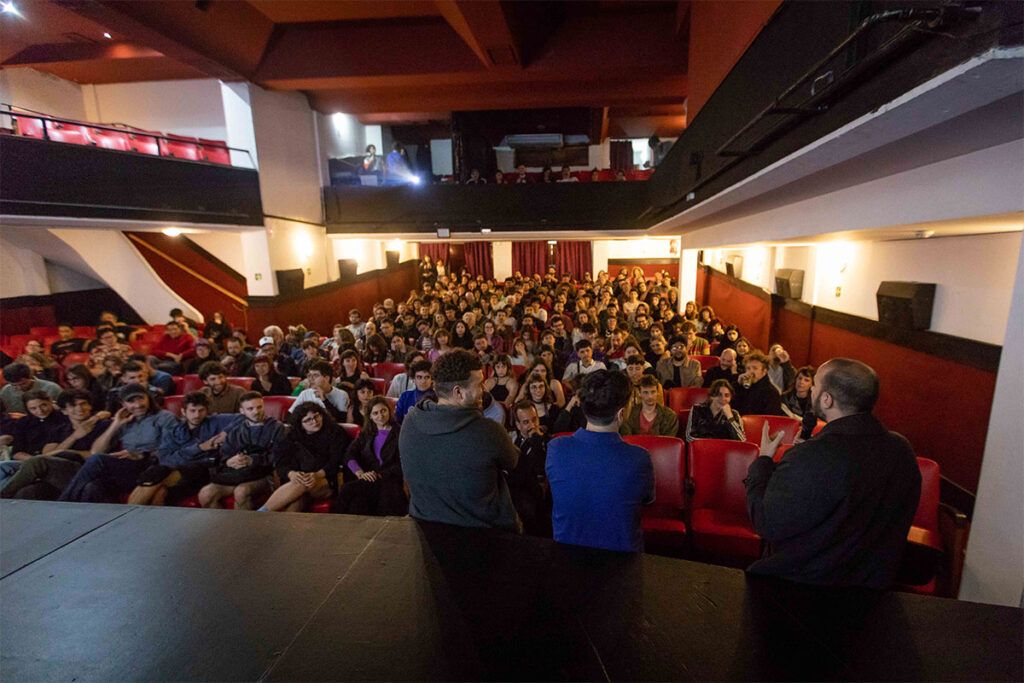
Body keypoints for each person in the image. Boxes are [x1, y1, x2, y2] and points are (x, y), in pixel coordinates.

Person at [745, 358, 922, 589]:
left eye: (815, 385)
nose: (812, 390)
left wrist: (764, 461)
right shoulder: (902, 449)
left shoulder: (812, 455)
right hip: (874, 589)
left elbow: (767, 523)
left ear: (827, 399)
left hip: (804, 588)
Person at [400, 349, 520, 532]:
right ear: (458, 392)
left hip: (424, 529)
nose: (484, 390)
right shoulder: (488, 431)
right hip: (483, 533)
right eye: (479, 384)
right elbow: (513, 461)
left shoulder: (410, 421)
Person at [545, 370, 654, 552]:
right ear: (621, 414)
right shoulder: (639, 458)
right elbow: (647, 500)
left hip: (566, 556)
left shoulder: (556, 448)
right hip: (623, 561)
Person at [58, 385, 178, 503]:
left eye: (141, 399)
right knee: (92, 486)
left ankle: (62, 504)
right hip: (128, 469)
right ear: (123, 404)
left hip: (152, 466)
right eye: (131, 401)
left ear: (148, 398)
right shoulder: (125, 421)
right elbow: (96, 451)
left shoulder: (164, 417)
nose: (138, 405)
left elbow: (173, 448)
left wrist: (142, 454)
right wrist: (116, 424)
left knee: (98, 460)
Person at [127, 391, 241, 506]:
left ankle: (128, 514)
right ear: (183, 411)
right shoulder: (174, 430)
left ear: (207, 411)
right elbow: (165, 458)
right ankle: (130, 513)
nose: (197, 415)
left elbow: (243, 417)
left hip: (203, 470)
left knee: (157, 482)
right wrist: (199, 448)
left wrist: (225, 432)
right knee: (156, 482)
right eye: (192, 411)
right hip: (177, 469)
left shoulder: (216, 421)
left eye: (201, 410)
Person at [1, 390, 110, 500]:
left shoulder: (103, 426)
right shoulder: (59, 429)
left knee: (37, 462)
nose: (79, 409)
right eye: (73, 406)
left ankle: (3, 497)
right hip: (57, 471)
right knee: (28, 491)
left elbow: (97, 455)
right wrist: (74, 437)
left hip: (85, 470)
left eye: (83, 404)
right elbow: (47, 454)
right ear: (64, 411)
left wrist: (67, 452)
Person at [199, 392, 285, 510]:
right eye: (250, 409)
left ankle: (243, 523)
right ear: (242, 411)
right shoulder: (236, 430)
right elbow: (224, 454)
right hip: (238, 474)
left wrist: (252, 460)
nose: (256, 411)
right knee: (205, 494)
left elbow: (280, 457)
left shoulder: (277, 427)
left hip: (265, 475)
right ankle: (222, 522)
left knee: (241, 491)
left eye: (259, 407)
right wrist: (229, 461)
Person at [264, 402, 350, 512]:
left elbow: (335, 462)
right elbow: (281, 463)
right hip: (296, 480)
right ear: (300, 423)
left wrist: (316, 475)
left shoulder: (335, 432)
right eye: (308, 420)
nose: (314, 421)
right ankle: (275, 522)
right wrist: (291, 474)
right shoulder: (291, 436)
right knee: (298, 501)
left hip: (326, 479)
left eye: (316, 416)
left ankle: (261, 513)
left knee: (302, 484)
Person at [336, 397, 407, 516]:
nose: (380, 415)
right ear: (370, 416)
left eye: (383, 411)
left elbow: (404, 462)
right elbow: (349, 454)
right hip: (369, 478)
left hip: (389, 479)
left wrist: (380, 474)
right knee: (354, 501)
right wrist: (360, 472)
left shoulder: (400, 432)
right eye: (375, 413)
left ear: (389, 411)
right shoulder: (366, 433)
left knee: (354, 493)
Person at [507, 400, 551, 536]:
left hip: (538, 500)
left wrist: (536, 441)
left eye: (534, 419)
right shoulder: (514, 443)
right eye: (526, 422)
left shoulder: (548, 443)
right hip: (518, 495)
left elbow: (541, 470)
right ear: (518, 425)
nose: (532, 425)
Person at [733, 350, 784, 416]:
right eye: (748, 368)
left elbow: (770, 417)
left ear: (764, 371)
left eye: (755, 368)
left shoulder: (771, 392)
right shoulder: (743, 387)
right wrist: (738, 385)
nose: (751, 371)